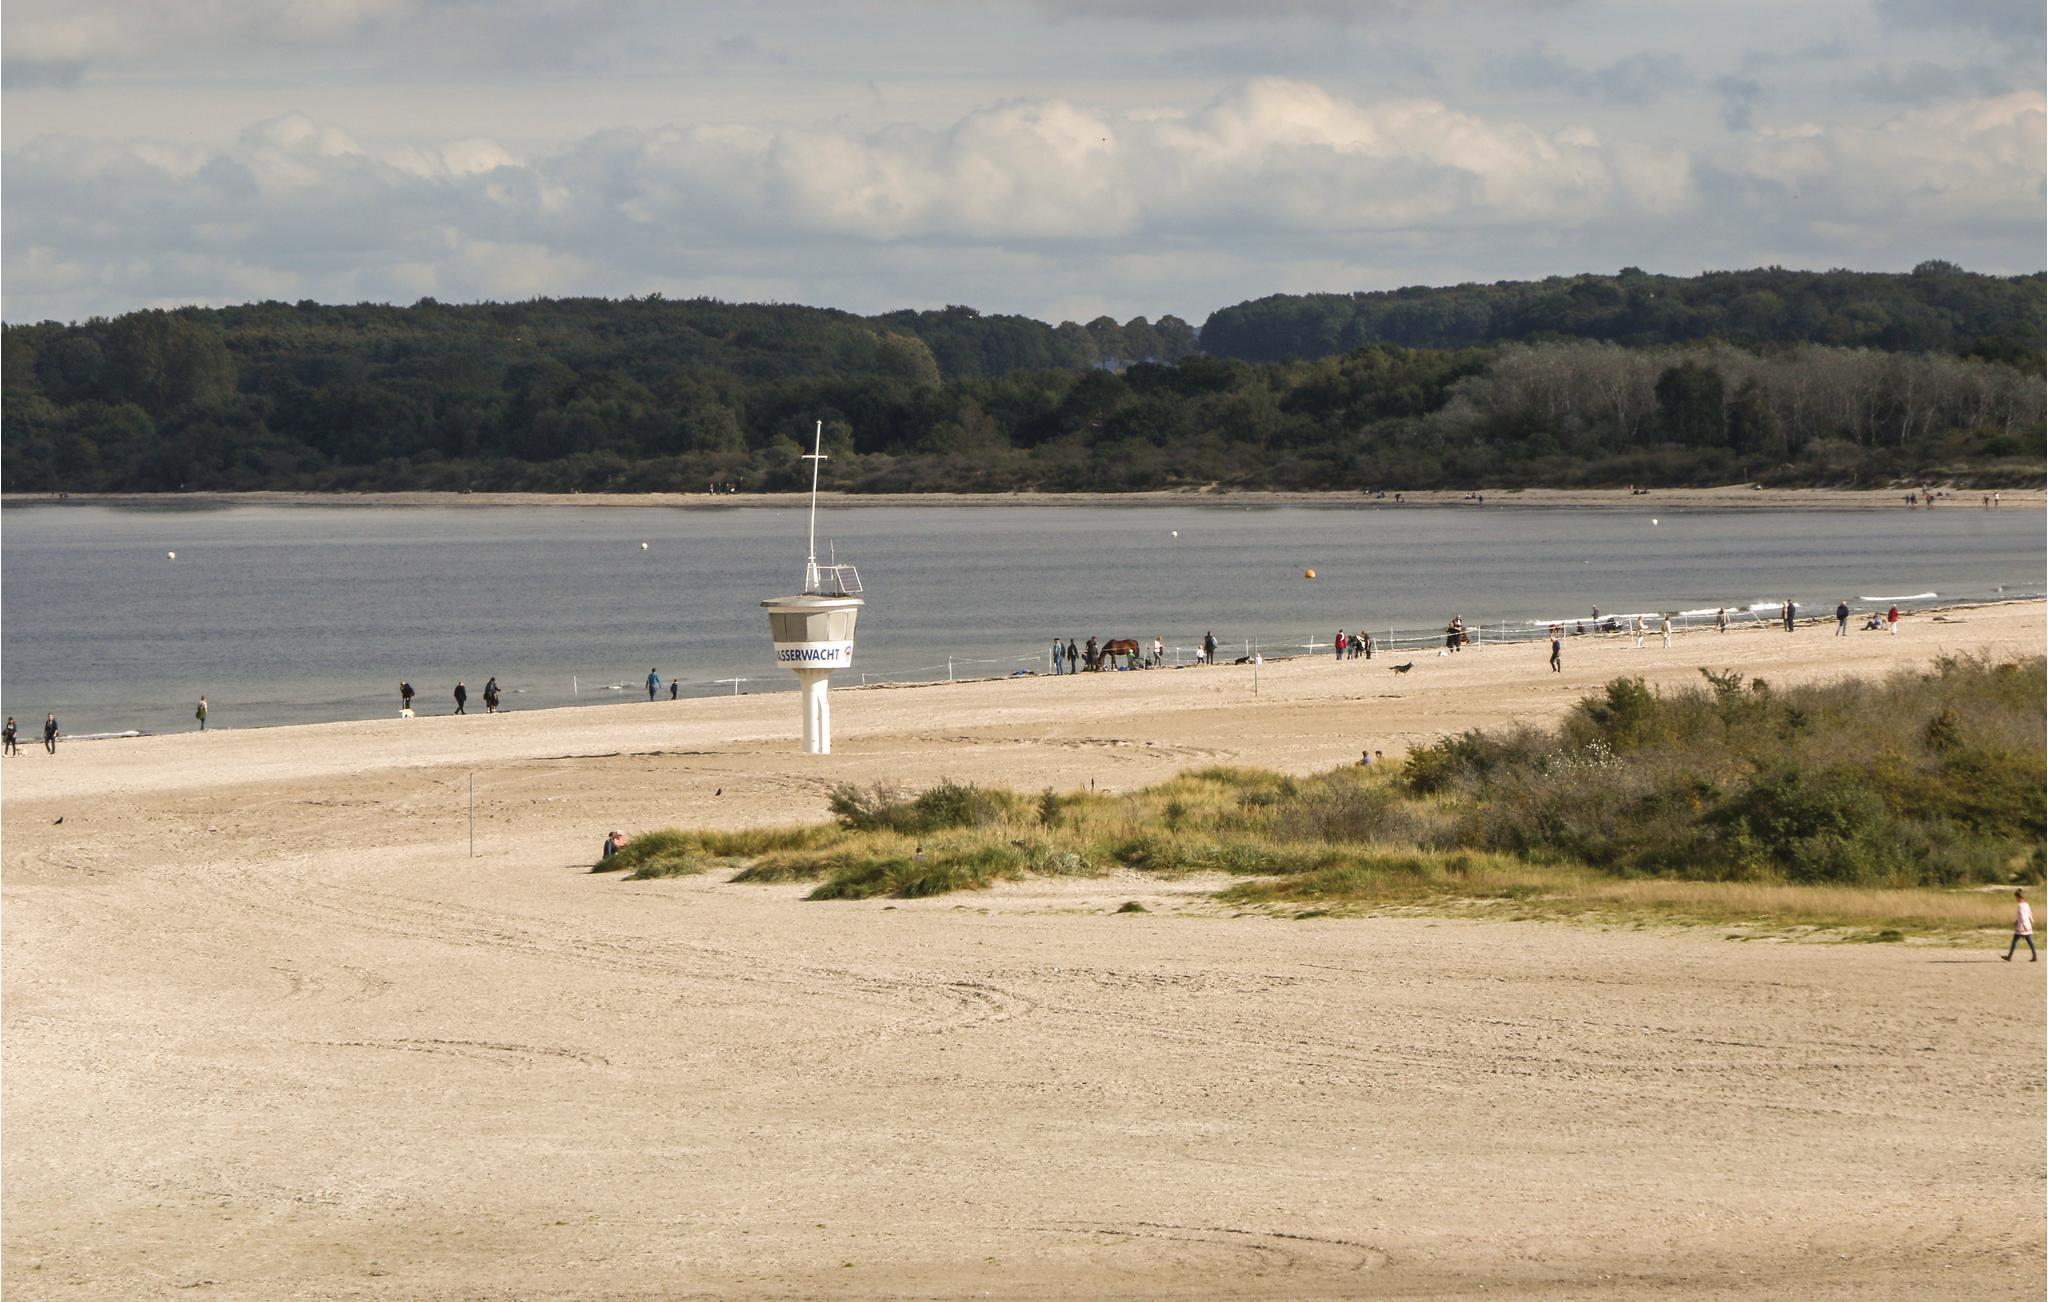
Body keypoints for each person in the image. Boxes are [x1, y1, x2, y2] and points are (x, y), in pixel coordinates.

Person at [2004, 888, 2035, 962]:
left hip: (2022, 926)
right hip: (2027, 925)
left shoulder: (2020, 905)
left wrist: (2021, 925)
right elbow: (2030, 914)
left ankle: (2009, 957)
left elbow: (2022, 916)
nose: (2016, 899)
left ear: (2019, 897)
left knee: (2014, 941)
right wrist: (2031, 920)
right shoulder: (2026, 904)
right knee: (2030, 941)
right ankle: (2035, 956)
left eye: (2016, 897)